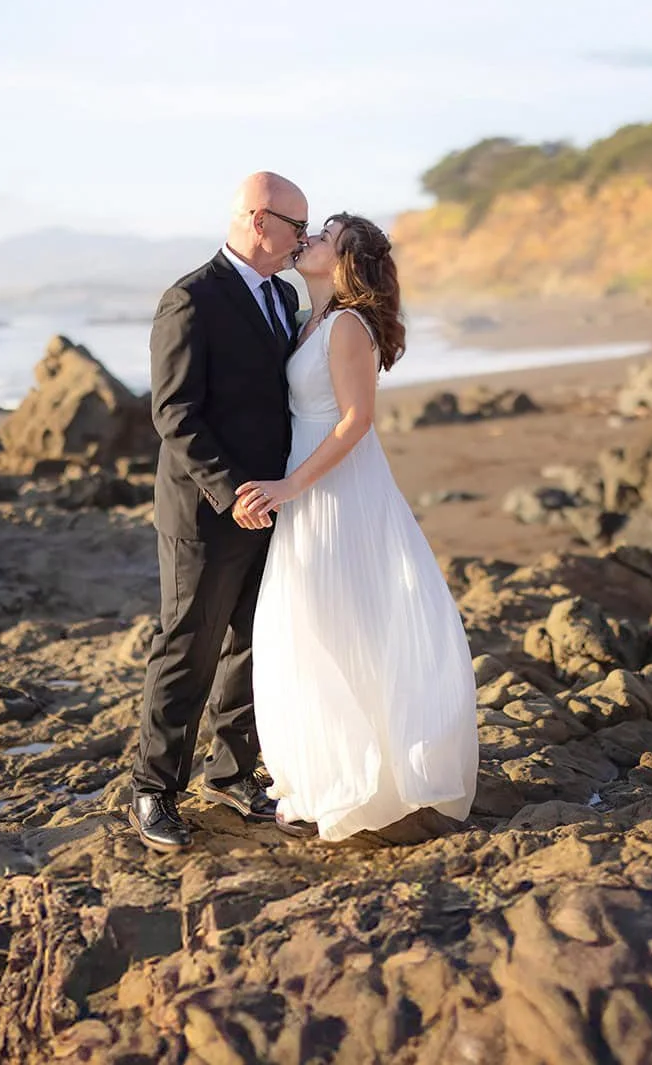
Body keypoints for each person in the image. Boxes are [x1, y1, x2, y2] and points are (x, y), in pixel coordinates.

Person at [234, 213, 481, 841]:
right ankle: (325, 774)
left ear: (342, 262)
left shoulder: (345, 326)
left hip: (335, 490)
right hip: (312, 482)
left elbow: (356, 421)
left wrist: (290, 486)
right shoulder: (303, 318)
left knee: (335, 621)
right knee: (315, 624)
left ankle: (367, 781)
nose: (309, 238)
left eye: (324, 236)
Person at [129, 171, 310, 853]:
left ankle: (233, 774)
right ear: (260, 221)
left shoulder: (284, 295)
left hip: (275, 504)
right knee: (188, 646)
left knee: (257, 640)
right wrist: (232, 491)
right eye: (297, 225)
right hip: (208, 511)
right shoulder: (191, 298)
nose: (302, 238)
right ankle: (153, 787)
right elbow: (174, 412)